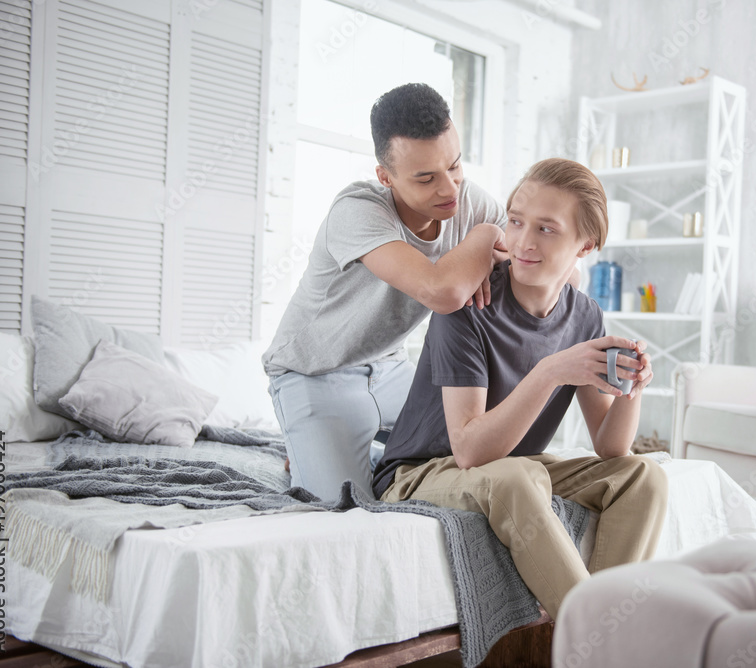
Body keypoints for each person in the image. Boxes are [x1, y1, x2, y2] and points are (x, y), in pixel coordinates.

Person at [373, 158, 669, 619]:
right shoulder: (467, 308)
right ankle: (592, 632)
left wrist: (634, 387)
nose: (523, 243)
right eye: (515, 222)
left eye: (547, 229)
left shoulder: (585, 315)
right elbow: (469, 450)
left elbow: (612, 448)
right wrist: (551, 371)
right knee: (519, 476)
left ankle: (608, 621)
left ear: (585, 244)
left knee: (642, 476)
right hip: (420, 473)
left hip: (514, 469)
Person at [262, 83, 509, 500]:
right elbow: (441, 291)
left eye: (455, 166)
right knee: (346, 506)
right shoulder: (356, 212)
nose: (449, 189)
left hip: (391, 369)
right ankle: (307, 446)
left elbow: (544, 273)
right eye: (426, 178)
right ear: (385, 177)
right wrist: (486, 239)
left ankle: (341, 446)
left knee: (472, 455)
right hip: (313, 372)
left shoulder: (470, 202)